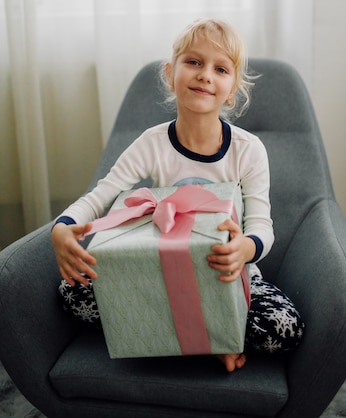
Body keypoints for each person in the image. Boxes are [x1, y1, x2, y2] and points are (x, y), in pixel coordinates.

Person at [52, 18, 304, 372]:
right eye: (193, 62)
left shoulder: (249, 150)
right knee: (70, 293)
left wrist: (244, 250)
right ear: (171, 74)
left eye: (220, 69)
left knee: (285, 328)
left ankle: (172, 335)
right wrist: (62, 227)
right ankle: (205, 341)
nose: (205, 75)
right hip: (156, 275)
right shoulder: (151, 143)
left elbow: (262, 226)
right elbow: (101, 195)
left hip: (229, 274)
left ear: (232, 89)